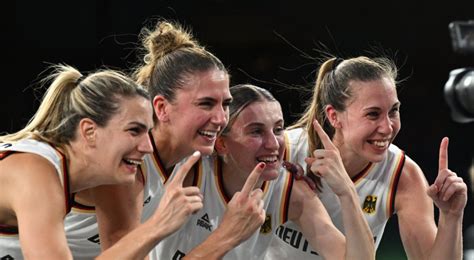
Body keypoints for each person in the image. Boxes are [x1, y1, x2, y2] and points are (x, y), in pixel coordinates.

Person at [65, 21, 267, 259]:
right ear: (161, 108)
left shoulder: (189, 151)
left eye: (226, 103)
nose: (221, 118)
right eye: (206, 104)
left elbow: (268, 144)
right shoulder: (125, 159)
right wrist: (227, 236)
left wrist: (297, 165)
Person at [266, 56, 468, 259]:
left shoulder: (402, 174)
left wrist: (451, 217)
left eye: (394, 111)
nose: (388, 127)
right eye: (373, 114)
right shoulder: (283, 151)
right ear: (334, 116)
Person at [0, 64, 205, 259]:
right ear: (90, 131)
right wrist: (157, 225)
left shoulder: (52, 170)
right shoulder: (36, 172)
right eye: (134, 130)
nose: (147, 147)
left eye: (147, 132)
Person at [150, 84, 375, 260]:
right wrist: (229, 233)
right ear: (221, 144)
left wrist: (347, 192)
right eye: (256, 131)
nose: (274, 144)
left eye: (278, 129)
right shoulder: (188, 174)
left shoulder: (289, 191)